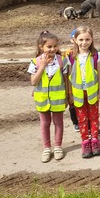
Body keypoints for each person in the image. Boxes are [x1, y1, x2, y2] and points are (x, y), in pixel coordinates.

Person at [28, 31, 69, 162]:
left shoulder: (62, 61)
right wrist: (42, 66)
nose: (53, 49)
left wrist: (68, 96)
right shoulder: (35, 62)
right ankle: (47, 148)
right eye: (49, 47)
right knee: (45, 124)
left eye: (55, 46)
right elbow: (34, 82)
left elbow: (66, 80)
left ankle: (58, 147)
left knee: (59, 123)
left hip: (58, 99)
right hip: (42, 99)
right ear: (41, 47)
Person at [68, 26, 100, 158]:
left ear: (92, 39)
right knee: (82, 119)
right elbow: (69, 76)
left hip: (92, 92)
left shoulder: (96, 55)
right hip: (78, 93)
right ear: (75, 40)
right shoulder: (71, 56)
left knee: (94, 117)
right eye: (81, 39)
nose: (84, 42)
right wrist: (70, 94)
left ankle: (94, 141)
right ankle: (85, 142)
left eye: (87, 39)